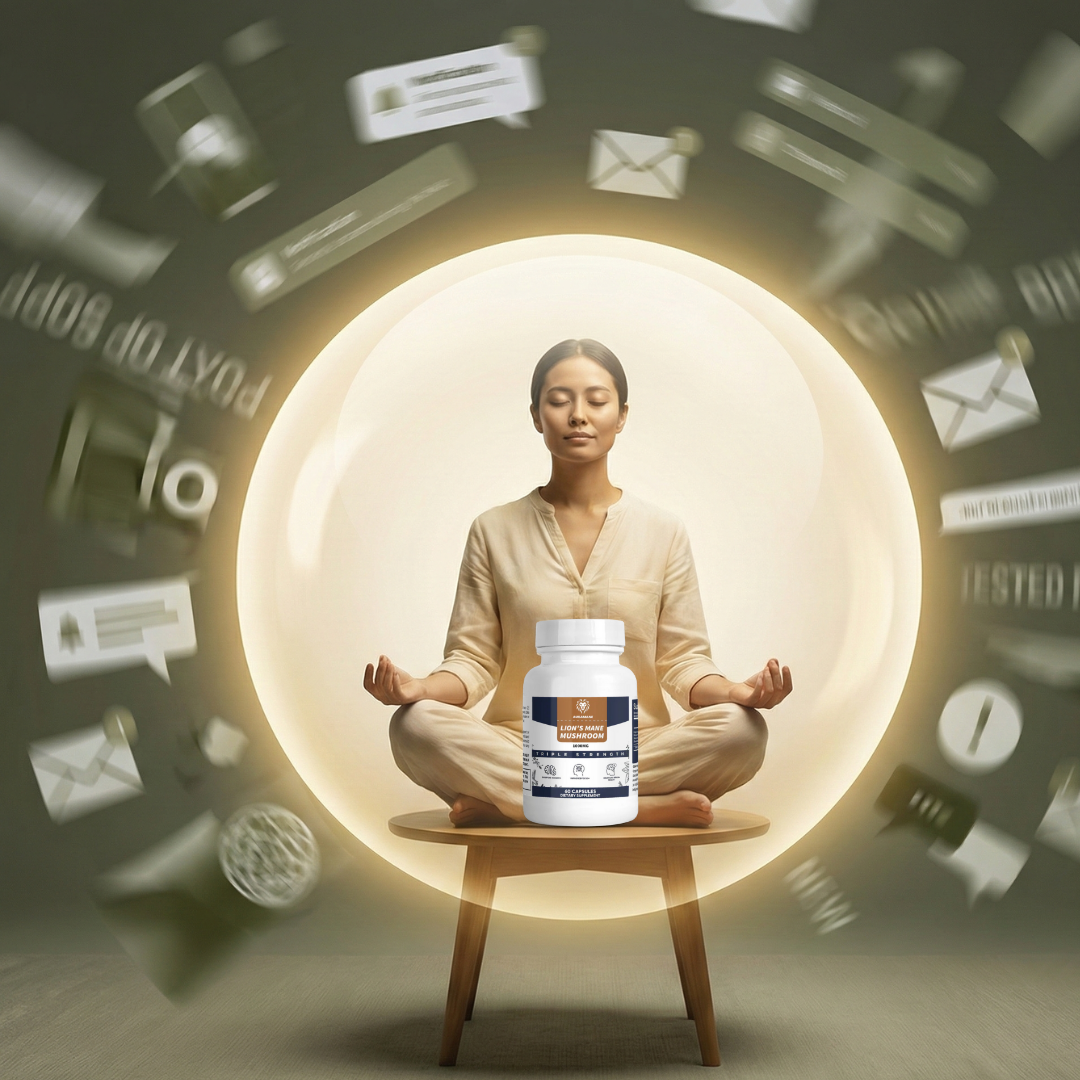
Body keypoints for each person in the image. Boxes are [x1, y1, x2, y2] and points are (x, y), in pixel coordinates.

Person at [365, 339, 793, 828]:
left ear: (622, 414)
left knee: (742, 732)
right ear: (536, 414)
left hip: (633, 744)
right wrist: (417, 687)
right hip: (523, 743)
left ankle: (514, 806)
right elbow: (474, 659)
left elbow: (682, 660)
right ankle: (636, 809)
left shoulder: (663, 530)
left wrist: (738, 693)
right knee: (415, 724)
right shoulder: (493, 529)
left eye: (596, 399)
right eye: (559, 399)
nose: (577, 416)